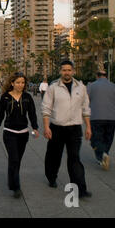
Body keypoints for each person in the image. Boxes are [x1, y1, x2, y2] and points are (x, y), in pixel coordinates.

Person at [42, 60, 93, 199]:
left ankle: (80, 190)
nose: (66, 72)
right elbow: (46, 108)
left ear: (73, 71)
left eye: (69, 70)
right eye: (64, 70)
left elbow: (85, 109)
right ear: (60, 71)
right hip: (56, 128)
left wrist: (88, 127)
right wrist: (46, 127)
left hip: (75, 129)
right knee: (54, 156)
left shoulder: (81, 87)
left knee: (75, 158)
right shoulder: (53, 88)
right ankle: (51, 177)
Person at [0, 72, 40, 199]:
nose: (21, 85)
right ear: (12, 83)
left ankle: (12, 181)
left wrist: (35, 127)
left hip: (23, 134)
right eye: (18, 82)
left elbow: (32, 114)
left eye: (23, 83)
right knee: (14, 159)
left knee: (17, 160)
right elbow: (0, 114)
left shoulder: (27, 97)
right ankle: (16, 187)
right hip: (9, 133)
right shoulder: (5, 97)